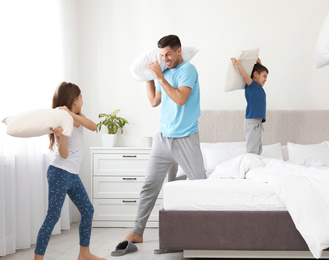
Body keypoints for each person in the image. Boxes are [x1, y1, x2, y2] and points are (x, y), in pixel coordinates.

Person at [111, 35, 206, 256]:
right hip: (163, 139)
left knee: (200, 184)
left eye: (169, 54)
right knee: (149, 185)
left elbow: (180, 99)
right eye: (162, 55)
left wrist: (160, 77)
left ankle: (201, 231)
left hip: (186, 138)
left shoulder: (188, 70)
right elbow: (154, 101)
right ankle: (137, 231)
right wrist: (149, 77)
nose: (166, 59)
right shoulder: (165, 72)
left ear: (179, 51)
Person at [34, 82, 106, 260]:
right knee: (53, 216)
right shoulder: (62, 120)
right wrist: (61, 137)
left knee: (87, 210)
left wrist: (71, 113)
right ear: (74, 99)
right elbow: (64, 154)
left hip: (72, 174)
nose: (83, 100)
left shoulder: (77, 116)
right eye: (81, 97)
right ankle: (37, 258)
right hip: (59, 172)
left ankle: (84, 253)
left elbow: (93, 126)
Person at [231, 57, 268, 155]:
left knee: (258, 148)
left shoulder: (259, 88)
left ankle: (255, 166)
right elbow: (245, 76)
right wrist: (239, 64)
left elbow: (259, 72)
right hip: (253, 123)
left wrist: (260, 64)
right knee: (252, 149)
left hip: (258, 124)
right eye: (264, 76)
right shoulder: (252, 85)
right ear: (255, 74)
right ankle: (249, 167)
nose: (266, 79)